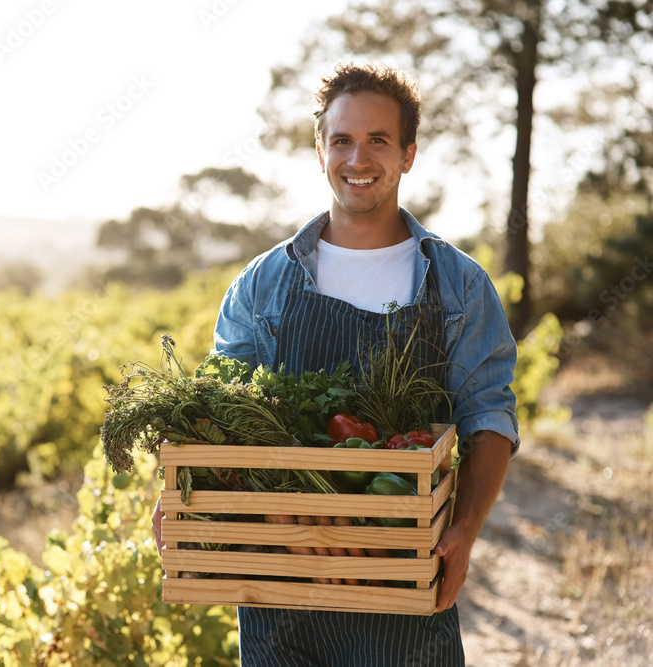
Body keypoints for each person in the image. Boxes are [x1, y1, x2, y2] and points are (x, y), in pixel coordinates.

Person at [151, 62, 519, 665]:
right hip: (279, 575)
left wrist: (464, 530)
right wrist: (177, 491)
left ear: (408, 154)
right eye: (342, 139)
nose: (359, 158)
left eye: (379, 140)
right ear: (319, 151)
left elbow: (489, 416)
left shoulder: (457, 285)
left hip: (400, 573)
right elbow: (216, 406)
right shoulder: (265, 283)